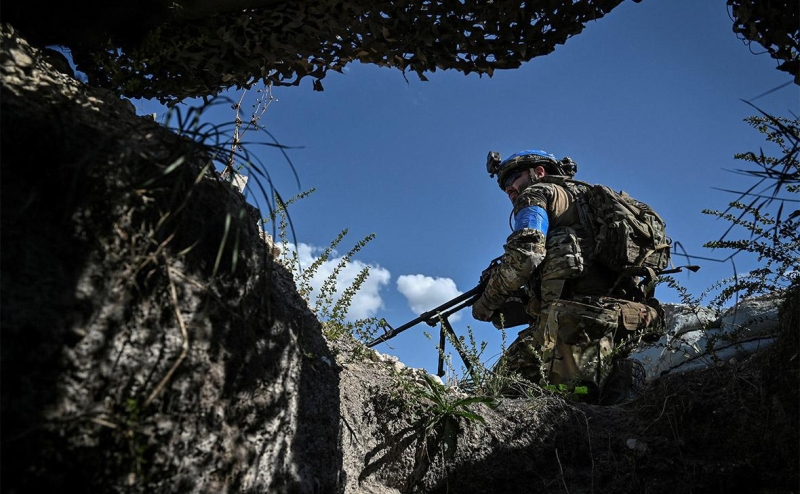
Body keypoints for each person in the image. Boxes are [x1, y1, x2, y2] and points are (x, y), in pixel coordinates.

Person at [471, 149, 661, 403]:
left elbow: (526, 254)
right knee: (579, 390)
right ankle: (613, 382)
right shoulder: (591, 202)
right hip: (629, 316)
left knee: (509, 389)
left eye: (513, 178)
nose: (509, 189)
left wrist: (486, 302)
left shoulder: (536, 194)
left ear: (539, 172)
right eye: (504, 185)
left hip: (575, 320)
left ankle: (596, 392)